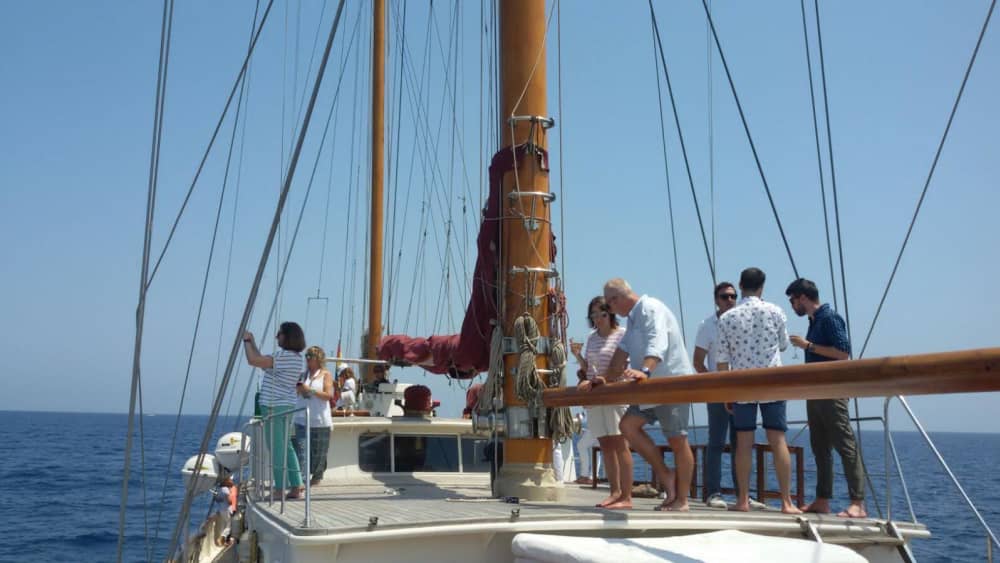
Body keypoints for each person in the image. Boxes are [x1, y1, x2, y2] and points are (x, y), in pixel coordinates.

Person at [604, 278, 694, 512]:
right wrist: (602, 379)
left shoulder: (651, 308)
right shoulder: (633, 319)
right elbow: (622, 352)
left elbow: (658, 341)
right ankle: (666, 475)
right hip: (648, 387)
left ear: (617, 299)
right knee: (628, 427)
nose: (609, 310)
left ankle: (682, 499)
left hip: (669, 383)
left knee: (677, 439)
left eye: (609, 305)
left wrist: (644, 371)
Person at [717, 268, 802, 514]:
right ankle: (787, 502)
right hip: (772, 382)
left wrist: (725, 393)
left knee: (744, 443)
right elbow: (784, 345)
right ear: (762, 287)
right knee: (778, 440)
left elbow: (722, 360)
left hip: (742, 384)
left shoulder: (727, 318)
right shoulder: (776, 311)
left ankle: (743, 500)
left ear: (740, 285)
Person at [786, 278, 867, 518]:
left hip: (832, 391)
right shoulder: (814, 321)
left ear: (802, 298)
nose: (792, 306)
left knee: (845, 445)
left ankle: (858, 503)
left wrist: (808, 346)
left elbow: (843, 353)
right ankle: (823, 499)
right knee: (820, 446)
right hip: (816, 392)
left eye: (793, 300)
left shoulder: (829, 319)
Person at [571, 295, 631, 508]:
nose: (598, 319)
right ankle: (614, 492)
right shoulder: (592, 338)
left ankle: (626, 495)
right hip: (596, 396)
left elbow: (621, 366)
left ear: (610, 314)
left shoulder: (622, 335)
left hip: (615, 395)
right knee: (606, 445)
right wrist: (578, 357)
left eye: (602, 314)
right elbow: (590, 369)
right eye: (594, 315)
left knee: (620, 444)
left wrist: (598, 380)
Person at [243, 322, 306, 500]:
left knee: (276, 448)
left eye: (279, 333)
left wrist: (246, 342)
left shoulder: (285, 356)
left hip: (274, 407)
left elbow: (253, 360)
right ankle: (296, 485)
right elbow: (262, 361)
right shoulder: (293, 357)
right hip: (283, 406)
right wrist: (253, 342)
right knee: (285, 447)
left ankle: (280, 488)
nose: (276, 336)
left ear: (287, 336)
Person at [693, 281, 740, 509]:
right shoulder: (707, 326)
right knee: (717, 443)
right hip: (718, 392)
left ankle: (743, 494)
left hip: (742, 392)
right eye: (724, 297)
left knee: (741, 443)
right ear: (716, 300)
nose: (729, 300)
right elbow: (697, 361)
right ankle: (713, 492)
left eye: (733, 296)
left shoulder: (743, 322)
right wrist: (712, 384)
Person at [292, 346, 335, 487]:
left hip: (319, 420)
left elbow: (328, 395)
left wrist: (309, 390)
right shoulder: (302, 375)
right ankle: (301, 481)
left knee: (319, 454)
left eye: (310, 356)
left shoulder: (325, 375)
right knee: (301, 452)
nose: (307, 359)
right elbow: (297, 394)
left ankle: (316, 479)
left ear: (318, 359)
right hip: (301, 418)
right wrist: (299, 389)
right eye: (306, 356)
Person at [574, 412, 600, 485]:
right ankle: (593, 476)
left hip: (595, 423)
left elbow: (588, 405)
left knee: (581, 445)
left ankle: (584, 476)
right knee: (595, 448)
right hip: (600, 422)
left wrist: (580, 417)